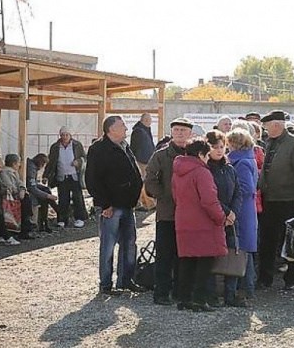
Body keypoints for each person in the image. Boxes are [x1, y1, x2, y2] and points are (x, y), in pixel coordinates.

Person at [86, 116, 145, 295]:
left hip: (127, 205)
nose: (126, 128)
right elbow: (92, 179)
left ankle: (126, 280)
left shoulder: (124, 146)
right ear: (111, 129)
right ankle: (106, 284)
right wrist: (105, 205)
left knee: (129, 244)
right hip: (111, 207)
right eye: (122, 126)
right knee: (108, 246)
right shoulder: (99, 149)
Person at [172, 138, 230, 312]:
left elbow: (176, 197)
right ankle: (198, 300)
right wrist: (220, 217)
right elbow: (209, 200)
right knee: (204, 264)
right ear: (200, 155)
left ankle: (183, 299)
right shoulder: (202, 172)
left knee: (187, 263)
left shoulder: (177, 171)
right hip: (203, 224)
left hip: (184, 221)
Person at [257, 110, 294, 290]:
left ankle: (292, 277)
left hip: (289, 200)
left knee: (291, 240)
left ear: (277, 125)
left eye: (267, 126)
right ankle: (265, 278)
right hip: (270, 199)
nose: (265, 130)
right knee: (267, 240)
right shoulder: (269, 142)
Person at [145, 117, 193, 305]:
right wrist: (163, 196)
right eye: (177, 130)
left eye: (184, 130)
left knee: (185, 254)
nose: (180, 133)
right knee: (164, 254)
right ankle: (161, 292)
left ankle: (181, 292)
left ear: (190, 133)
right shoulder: (161, 155)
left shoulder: (194, 154)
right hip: (167, 214)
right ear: (171, 133)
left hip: (190, 215)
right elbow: (150, 179)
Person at [205, 130, 245, 306]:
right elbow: (209, 196)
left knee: (231, 255)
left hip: (230, 220)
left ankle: (230, 294)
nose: (219, 150)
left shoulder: (229, 169)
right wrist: (226, 212)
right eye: (215, 147)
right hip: (212, 219)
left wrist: (233, 212)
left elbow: (238, 192)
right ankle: (211, 295)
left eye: (222, 147)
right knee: (212, 258)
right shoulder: (205, 170)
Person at [226, 128, 259, 306]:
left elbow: (247, 188)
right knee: (245, 249)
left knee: (242, 249)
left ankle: (246, 288)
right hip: (247, 209)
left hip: (242, 209)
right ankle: (247, 288)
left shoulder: (241, 162)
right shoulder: (248, 158)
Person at [44, 126, 87, 228]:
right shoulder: (55, 147)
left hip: (74, 175)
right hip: (61, 176)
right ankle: (62, 219)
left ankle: (79, 218)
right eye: (63, 135)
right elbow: (51, 162)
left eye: (67, 135)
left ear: (70, 135)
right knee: (63, 199)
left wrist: (78, 162)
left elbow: (84, 158)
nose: (65, 137)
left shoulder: (77, 145)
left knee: (78, 198)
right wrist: (46, 175)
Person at [0, 154, 35, 239]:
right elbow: (9, 186)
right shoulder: (5, 173)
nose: (19, 165)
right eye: (18, 163)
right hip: (9, 197)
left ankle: (27, 223)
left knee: (26, 198)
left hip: (17, 195)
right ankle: (26, 226)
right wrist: (19, 192)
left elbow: (20, 183)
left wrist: (22, 189)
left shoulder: (14, 172)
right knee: (25, 201)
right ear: (14, 164)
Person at [130, 113, 156, 212]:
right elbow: (135, 147)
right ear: (145, 120)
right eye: (149, 120)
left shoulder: (143, 130)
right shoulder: (139, 131)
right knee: (143, 182)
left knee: (145, 182)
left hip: (146, 160)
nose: (150, 122)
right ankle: (148, 203)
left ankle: (147, 202)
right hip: (141, 160)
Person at [26, 153, 58, 233]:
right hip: (28, 192)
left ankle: (45, 223)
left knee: (46, 190)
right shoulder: (31, 169)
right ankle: (56, 211)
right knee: (45, 198)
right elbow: (32, 187)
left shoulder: (32, 166)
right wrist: (47, 196)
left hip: (30, 188)